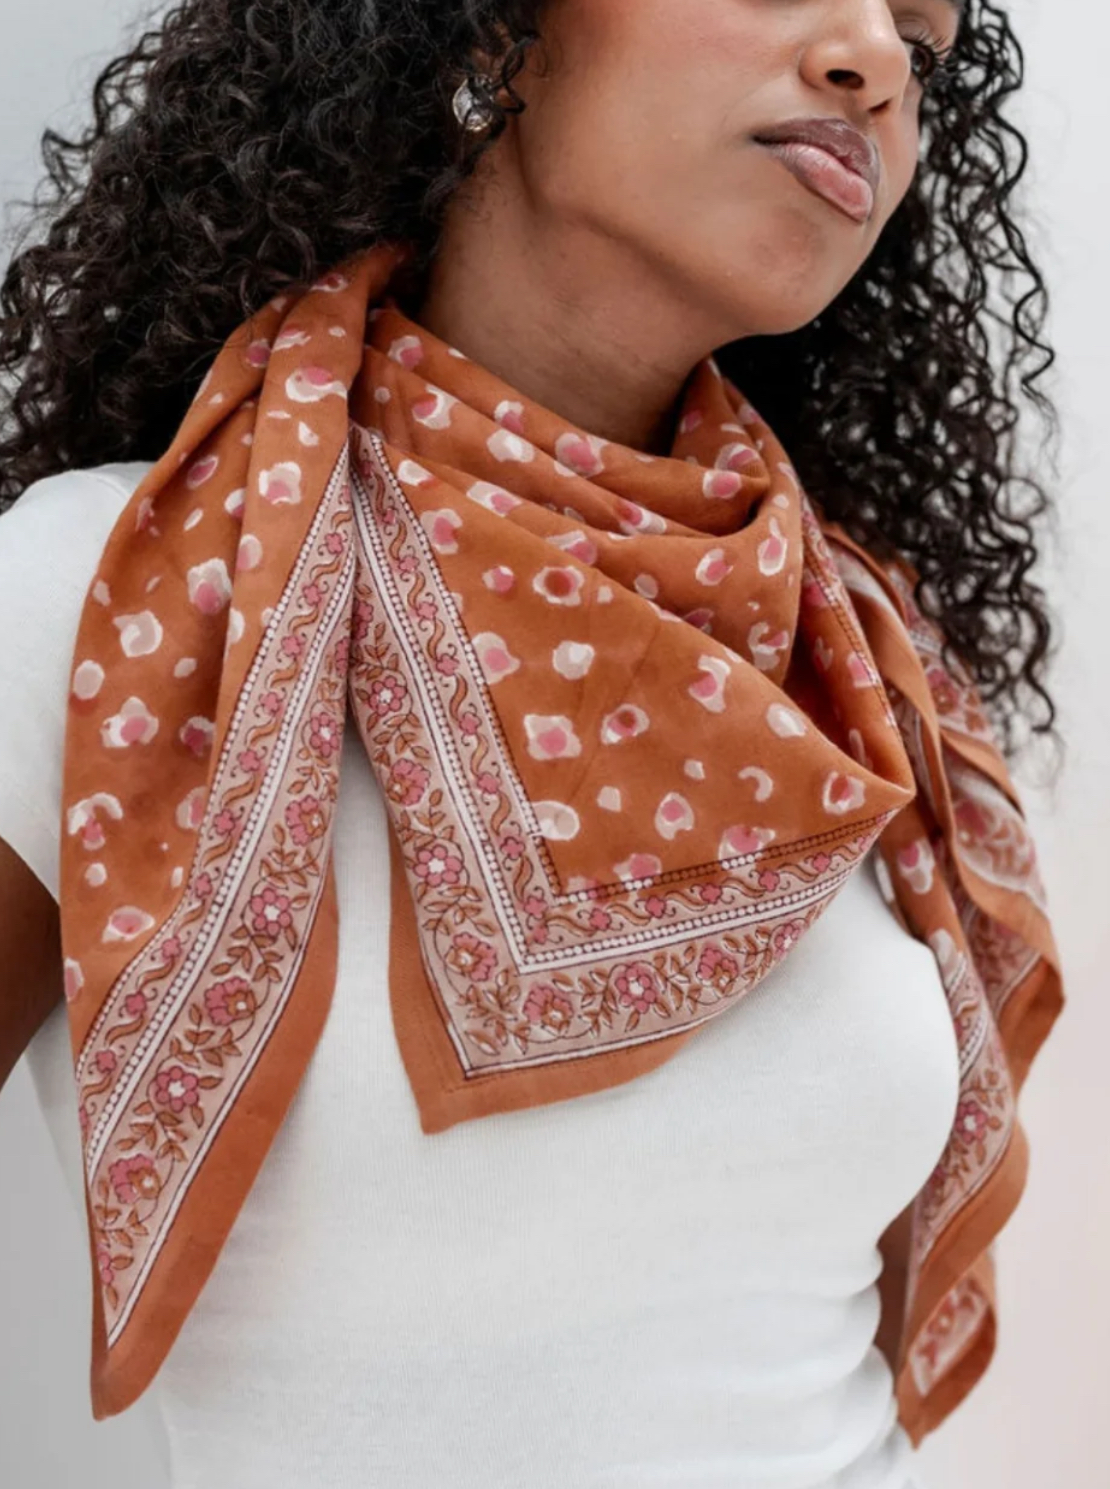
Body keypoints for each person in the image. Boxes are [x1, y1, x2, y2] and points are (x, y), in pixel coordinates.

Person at [0, 2, 1065, 1487]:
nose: (877, 62)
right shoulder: (116, 596)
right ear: (492, 32)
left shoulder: (859, 663)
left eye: (922, 44)